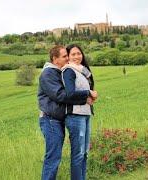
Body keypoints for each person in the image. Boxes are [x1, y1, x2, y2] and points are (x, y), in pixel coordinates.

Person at [37, 45, 97, 180]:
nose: (68, 58)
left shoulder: (60, 71)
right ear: (55, 59)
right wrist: (86, 95)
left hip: (58, 119)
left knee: (55, 157)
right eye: (64, 56)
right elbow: (61, 95)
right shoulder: (48, 73)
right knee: (53, 157)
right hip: (50, 119)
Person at [62, 44, 98, 180]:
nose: (77, 56)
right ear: (68, 57)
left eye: (79, 53)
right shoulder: (68, 71)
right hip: (75, 116)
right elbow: (70, 93)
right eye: (73, 54)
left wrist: (90, 98)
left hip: (85, 114)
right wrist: (89, 92)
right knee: (78, 154)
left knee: (85, 153)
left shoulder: (82, 71)